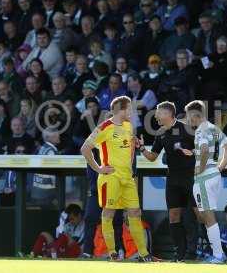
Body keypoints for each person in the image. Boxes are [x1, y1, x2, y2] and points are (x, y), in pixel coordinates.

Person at [80, 96, 156, 262]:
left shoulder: (129, 126)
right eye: (130, 108)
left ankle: (144, 254)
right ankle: (113, 252)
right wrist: (99, 168)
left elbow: (128, 149)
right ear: (121, 110)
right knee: (109, 213)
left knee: (135, 212)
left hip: (127, 178)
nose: (132, 112)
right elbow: (85, 148)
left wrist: (136, 145)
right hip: (111, 177)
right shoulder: (104, 127)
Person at [138, 101, 197, 262]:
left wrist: (192, 152)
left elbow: (204, 148)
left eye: (158, 112)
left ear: (168, 114)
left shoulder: (187, 129)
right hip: (173, 179)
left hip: (191, 177)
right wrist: (142, 148)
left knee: (197, 215)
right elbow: (153, 157)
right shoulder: (160, 133)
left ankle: (195, 252)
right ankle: (180, 255)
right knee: (173, 216)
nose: (156, 115)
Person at [184, 100, 227, 263]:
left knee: (207, 216)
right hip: (213, 174)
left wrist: (201, 168)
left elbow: (205, 150)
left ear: (195, 114)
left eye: (188, 115)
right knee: (205, 216)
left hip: (204, 177)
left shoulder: (200, 130)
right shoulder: (213, 128)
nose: (187, 119)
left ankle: (218, 255)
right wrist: (220, 166)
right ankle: (218, 253)